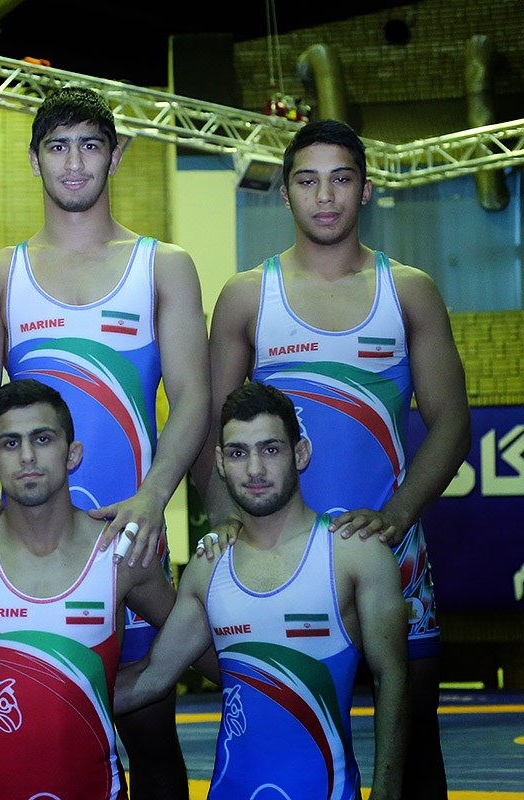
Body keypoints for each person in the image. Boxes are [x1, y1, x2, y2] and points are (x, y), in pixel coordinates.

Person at [0, 85, 209, 797]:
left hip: (129, 542)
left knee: (152, 736)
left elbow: (194, 397)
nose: (73, 163)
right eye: (58, 147)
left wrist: (153, 498)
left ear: (115, 156)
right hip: (29, 551)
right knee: (35, 725)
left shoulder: (162, 265)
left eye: (90, 146)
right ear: (34, 159)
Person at [198, 119, 469, 798]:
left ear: (366, 190)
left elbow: (452, 423)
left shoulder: (408, 290)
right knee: (284, 739)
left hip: (391, 551)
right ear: (285, 192)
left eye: (341, 179)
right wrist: (222, 520)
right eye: (308, 180)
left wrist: (397, 516)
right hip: (279, 562)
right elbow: (210, 428)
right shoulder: (247, 296)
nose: (325, 196)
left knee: (416, 746)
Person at [121, 382, 408, 799]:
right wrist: (50, 693)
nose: (254, 469)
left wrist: (388, 791)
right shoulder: (209, 566)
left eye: (270, 449)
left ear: (301, 453)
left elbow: (392, 676)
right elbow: (152, 677)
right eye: (238, 453)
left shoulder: (354, 554)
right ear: (221, 463)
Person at [0, 379, 184, 800]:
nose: (27, 456)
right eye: (10, 443)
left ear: (73, 454)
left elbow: (205, 646)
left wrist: (149, 680)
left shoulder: (119, 553)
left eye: (42, 439)